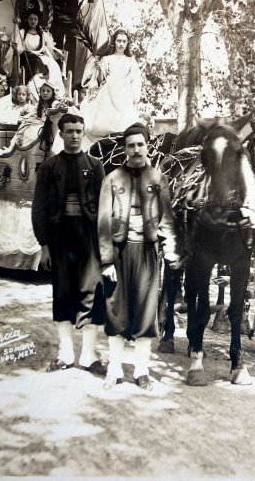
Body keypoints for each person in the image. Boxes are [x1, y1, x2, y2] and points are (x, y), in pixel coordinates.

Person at [97, 122, 179, 391]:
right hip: (119, 254)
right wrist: (107, 260)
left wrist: (170, 249)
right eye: (130, 145)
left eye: (140, 144)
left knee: (146, 313)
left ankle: (142, 371)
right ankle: (114, 369)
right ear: (124, 148)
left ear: (147, 146)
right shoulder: (112, 179)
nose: (136, 150)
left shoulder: (158, 179)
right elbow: (103, 223)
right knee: (116, 310)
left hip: (146, 252)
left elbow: (166, 218)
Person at [31, 113, 106, 375]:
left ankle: (88, 355)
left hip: (88, 237)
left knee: (92, 292)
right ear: (60, 134)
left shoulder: (95, 166)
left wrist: (103, 246)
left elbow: (103, 208)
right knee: (62, 293)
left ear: (83, 133)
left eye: (78, 131)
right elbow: (39, 209)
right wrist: (44, 245)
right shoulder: (49, 168)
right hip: (60, 237)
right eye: (69, 131)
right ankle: (65, 353)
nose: (74, 135)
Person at [80, 28, 142, 142]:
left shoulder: (130, 61)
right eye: (119, 41)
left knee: (126, 123)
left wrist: (134, 97)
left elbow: (136, 80)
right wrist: (99, 69)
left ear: (127, 43)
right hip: (108, 92)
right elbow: (101, 79)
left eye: (124, 41)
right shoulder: (107, 59)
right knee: (104, 123)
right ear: (114, 41)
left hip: (124, 94)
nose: (121, 44)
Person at [8, 8, 65, 98]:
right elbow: (18, 48)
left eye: (35, 19)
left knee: (53, 64)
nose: (33, 21)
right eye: (31, 19)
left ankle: (53, 89)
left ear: (38, 21)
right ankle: (34, 85)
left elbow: (48, 47)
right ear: (27, 20)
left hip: (39, 54)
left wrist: (57, 53)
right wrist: (15, 48)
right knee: (37, 61)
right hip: (26, 55)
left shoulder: (42, 34)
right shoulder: (22, 33)